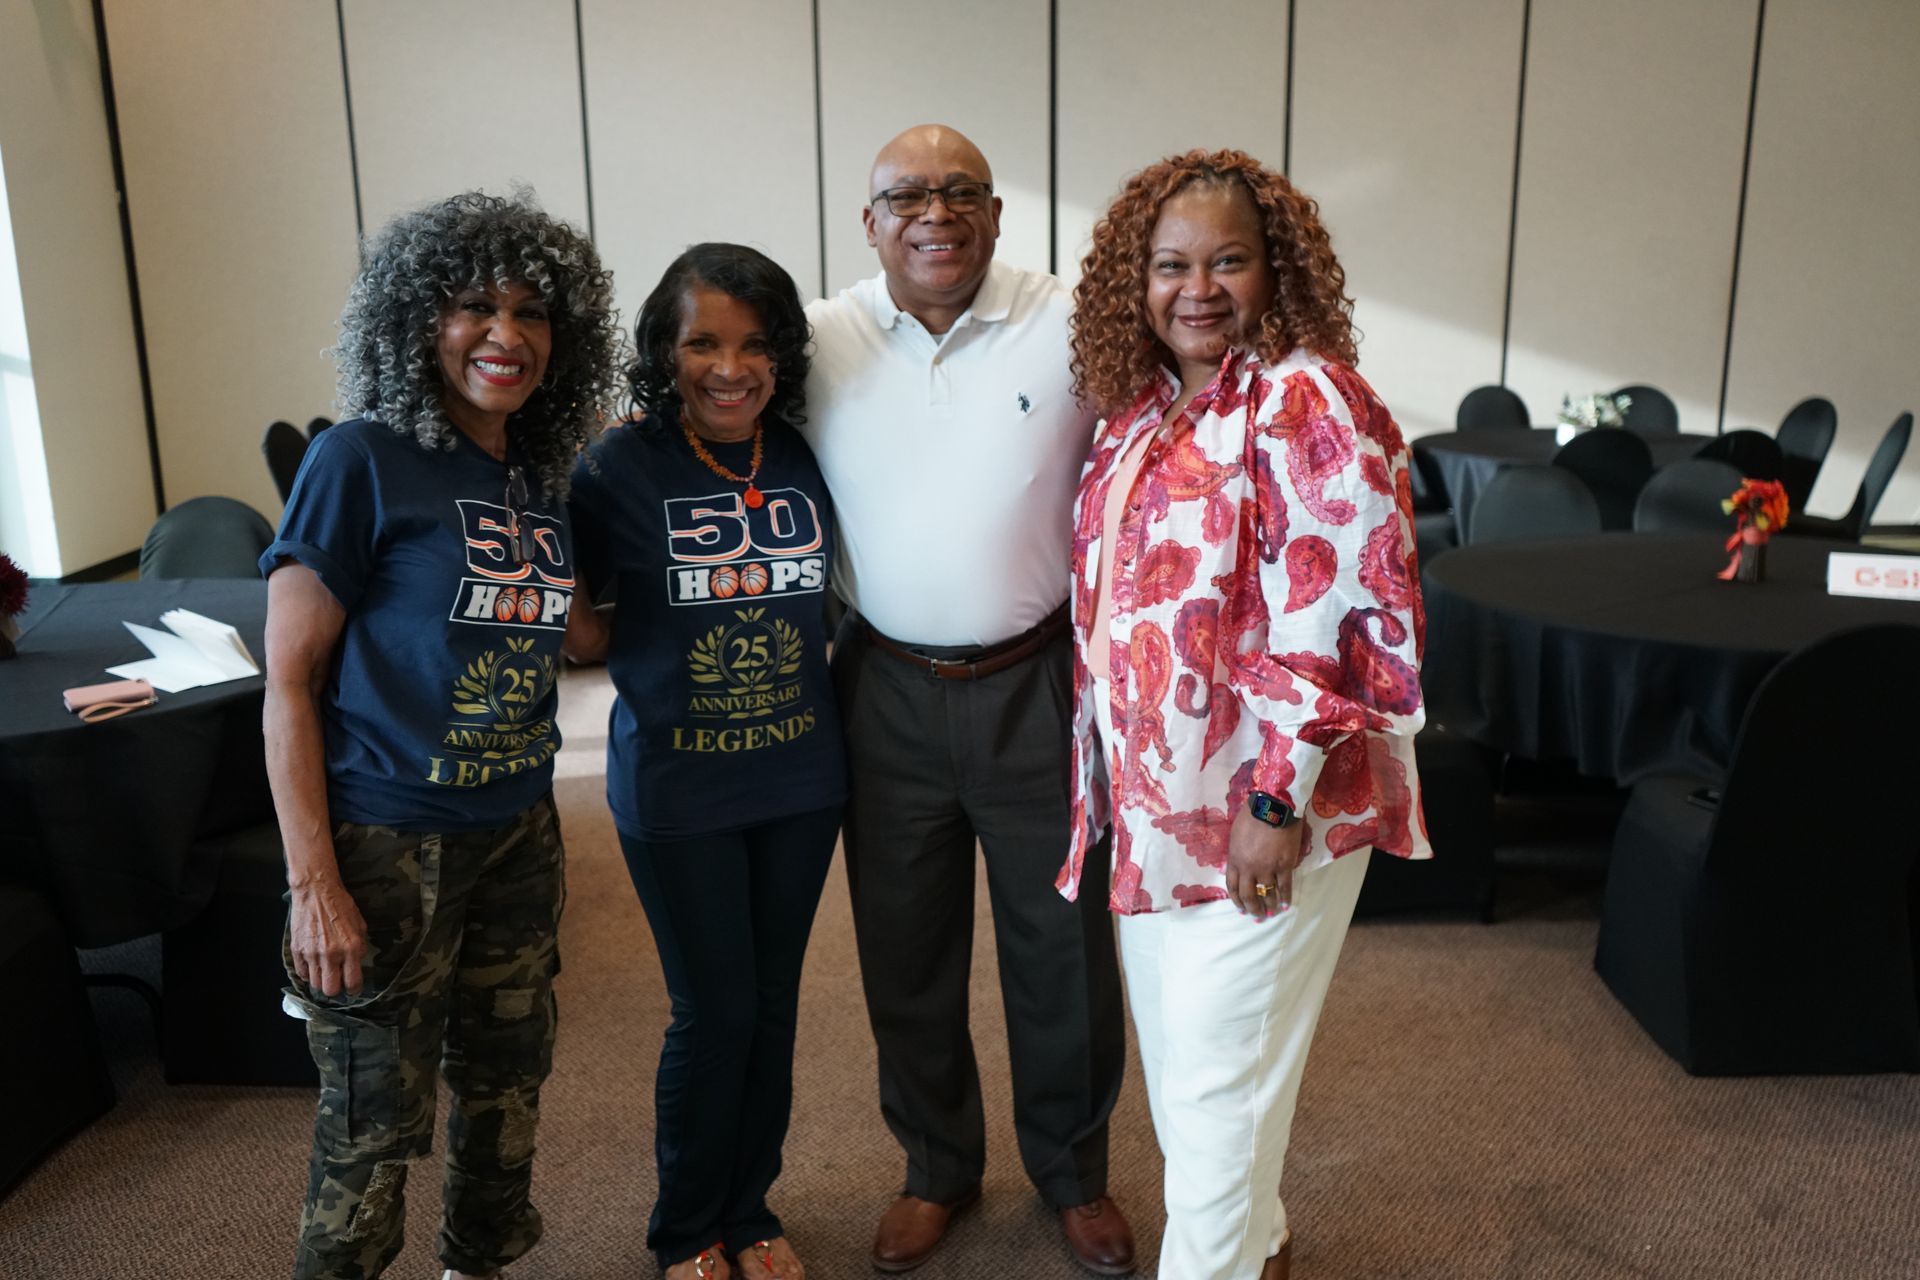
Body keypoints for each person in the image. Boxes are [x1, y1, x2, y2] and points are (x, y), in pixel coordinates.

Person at [1060, 148, 1430, 1280]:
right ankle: (1260, 1243)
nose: (1199, 288)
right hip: (1159, 811)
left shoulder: (1303, 395)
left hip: (1266, 809)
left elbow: (1340, 614)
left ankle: (1223, 1255)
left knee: (1217, 1100)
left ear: (1280, 270)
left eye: (1230, 260)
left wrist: (1278, 793)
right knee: (1192, 1083)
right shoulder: (1142, 412)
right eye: (1172, 265)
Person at [261, 190, 622, 1280]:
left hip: (518, 823)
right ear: (418, 321)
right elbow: (286, 682)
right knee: (374, 1116)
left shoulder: (536, 479)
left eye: (532, 312)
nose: (505, 334)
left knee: (508, 1083)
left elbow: (574, 635)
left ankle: (479, 1262)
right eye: (474, 306)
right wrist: (312, 883)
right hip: (385, 838)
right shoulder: (360, 461)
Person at [803, 124, 1134, 1276]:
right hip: (885, 687)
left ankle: (1074, 1172)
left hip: (1038, 682)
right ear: (871, 220)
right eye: (907, 195)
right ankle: (936, 1164)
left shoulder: (1072, 320)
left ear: (996, 213)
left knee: (1064, 947)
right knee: (905, 947)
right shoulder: (817, 337)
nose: (934, 213)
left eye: (960, 192)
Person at [567, 244, 845, 1280]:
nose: (731, 367)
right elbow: (584, 634)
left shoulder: (805, 452)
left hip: (804, 779)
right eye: (703, 343)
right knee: (714, 1007)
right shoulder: (615, 466)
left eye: (755, 344)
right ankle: (686, 1227)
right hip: (678, 788)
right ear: (663, 351)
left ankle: (751, 1206)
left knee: (772, 1005)